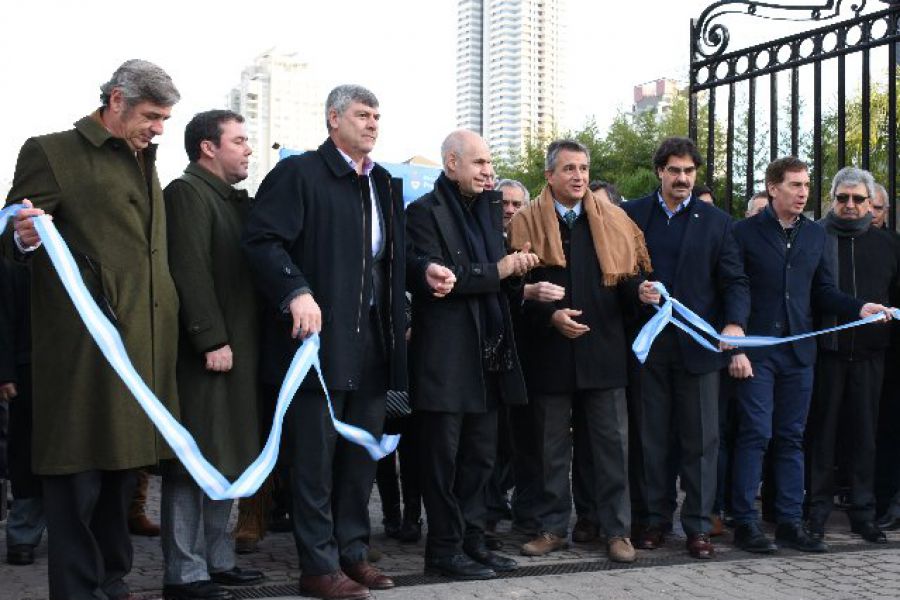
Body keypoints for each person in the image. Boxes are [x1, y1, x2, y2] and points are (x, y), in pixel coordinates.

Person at [242, 84, 452, 600]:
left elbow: (389, 259)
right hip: (316, 349)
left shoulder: (383, 181)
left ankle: (352, 554)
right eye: (362, 115)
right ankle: (317, 565)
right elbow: (261, 241)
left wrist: (423, 272)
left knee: (361, 460)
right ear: (333, 118)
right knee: (314, 463)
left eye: (377, 116)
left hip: (375, 348)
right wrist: (295, 290)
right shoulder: (299, 174)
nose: (372, 124)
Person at [9, 59, 182, 600]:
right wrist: (23, 237)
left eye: (165, 118)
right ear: (115, 101)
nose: (159, 128)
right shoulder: (50, 151)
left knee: (121, 480)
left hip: (140, 353)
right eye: (152, 116)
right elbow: (15, 229)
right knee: (76, 484)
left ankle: (113, 581)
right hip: (84, 357)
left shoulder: (144, 157)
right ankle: (79, 590)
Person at [729, 156, 893, 554]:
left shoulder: (813, 236)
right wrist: (736, 342)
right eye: (795, 185)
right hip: (758, 351)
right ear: (773, 188)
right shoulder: (742, 233)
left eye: (806, 185)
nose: (803, 193)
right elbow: (735, 286)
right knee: (756, 435)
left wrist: (858, 308)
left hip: (800, 353)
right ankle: (746, 524)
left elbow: (822, 291)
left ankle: (788, 522)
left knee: (791, 437)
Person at [509, 139, 655, 563]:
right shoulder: (524, 223)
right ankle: (552, 528)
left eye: (584, 168)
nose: (579, 177)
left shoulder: (614, 220)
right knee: (551, 450)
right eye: (569, 169)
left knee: (611, 448)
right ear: (549, 176)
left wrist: (639, 291)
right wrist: (549, 316)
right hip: (550, 354)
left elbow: (626, 281)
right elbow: (512, 292)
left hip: (604, 351)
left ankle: (616, 531)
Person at [406, 129, 538, 580]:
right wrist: (496, 269)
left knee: (481, 459)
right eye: (479, 163)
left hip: (489, 357)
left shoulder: (487, 212)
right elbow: (438, 282)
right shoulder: (422, 213)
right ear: (451, 164)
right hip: (445, 360)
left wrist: (516, 271)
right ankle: (442, 550)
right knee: (443, 462)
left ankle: (473, 541)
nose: (488, 172)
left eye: (489, 163)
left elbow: (495, 281)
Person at [622, 137, 749, 560]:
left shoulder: (717, 222)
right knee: (650, 439)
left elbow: (734, 280)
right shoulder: (631, 215)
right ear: (659, 170)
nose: (682, 179)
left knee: (700, 441)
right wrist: (632, 291)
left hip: (698, 348)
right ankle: (653, 521)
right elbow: (614, 273)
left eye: (689, 172)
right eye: (674, 170)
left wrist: (733, 322)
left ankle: (697, 526)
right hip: (649, 349)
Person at [161, 110, 266, 600]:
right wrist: (209, 338)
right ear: (208, 147)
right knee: (193, 462)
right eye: (239, 140)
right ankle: (184, 573)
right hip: (207, 354)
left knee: (226, 458)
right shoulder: (186, 193)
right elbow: (188, 269)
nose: (248, 148)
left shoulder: (228, 200)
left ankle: (218, 561)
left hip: (235, 350)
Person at [805, 167, 900, 544]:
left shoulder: (889, 244)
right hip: (824, 354)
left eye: (858, 199)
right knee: (821, 436)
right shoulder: (814, 237)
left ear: (870, 202)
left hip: (872, 355)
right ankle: (816, 513)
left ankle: (864, 513)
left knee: (865, 436)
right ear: (831, 198)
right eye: (842, 198)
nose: (850, 205)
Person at [0, 257, 46, 567]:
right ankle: (22, 536)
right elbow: (2, 316)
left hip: (73, 367)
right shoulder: (13, 258)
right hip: (28, 365)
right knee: (26, 452)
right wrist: (5, 371)